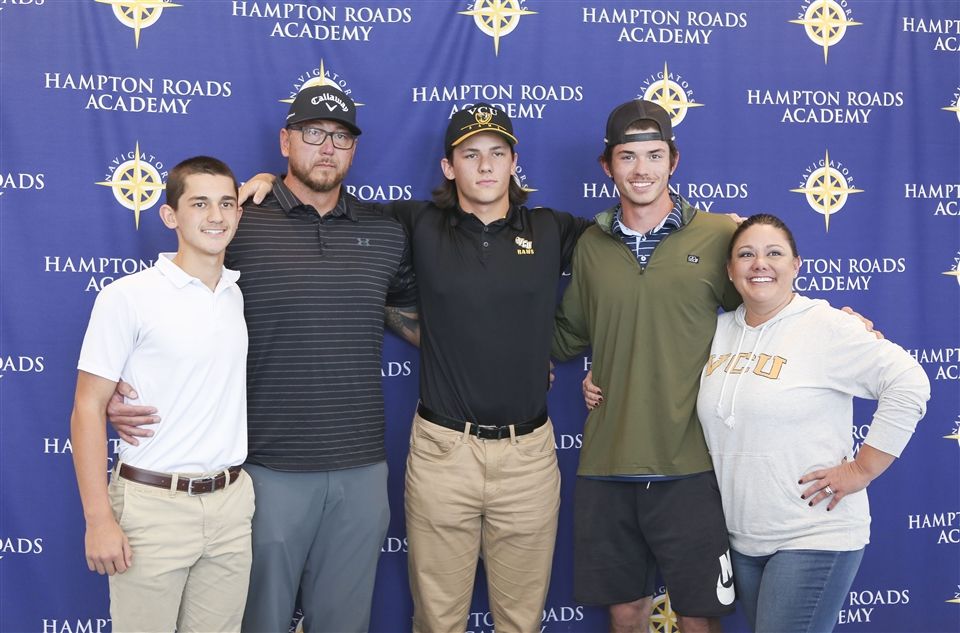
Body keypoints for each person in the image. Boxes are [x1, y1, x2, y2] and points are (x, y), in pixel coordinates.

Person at [242, 102, 591, 631]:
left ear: (515, 161)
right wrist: (270, 180)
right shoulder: (412, 223)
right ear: (449, 167)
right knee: (436, 618)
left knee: (521, 620)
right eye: (470, 155)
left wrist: (703, 226)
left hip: (528, 454)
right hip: (442, 450)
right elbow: (323, 199)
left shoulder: (551, 228)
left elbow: (626, 248)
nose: (485, 166)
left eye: (497, 153)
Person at [107, 85, 418, 633]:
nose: (327, 147)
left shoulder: (385, 231)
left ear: (353, 150)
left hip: (362, 467)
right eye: (313, 133)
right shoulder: (238, 224)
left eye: (341, 137)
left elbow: (431, 319)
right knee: (257, 621)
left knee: (345, 622)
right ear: (285, 140)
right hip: (266, 469)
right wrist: (114, 384)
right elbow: (175, 305)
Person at [552, 99, 740, 633]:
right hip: (608, 463)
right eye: (627, 157)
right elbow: (566, 336)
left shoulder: (720, 236)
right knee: (625, 614)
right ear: (607, 166)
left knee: (700, 616)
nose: (641, 170)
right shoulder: (590, 245)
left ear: (673, 162)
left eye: (654, 155)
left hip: (691, 463)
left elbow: (769, 308)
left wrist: (839, 324)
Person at [695, 213, 929, 633]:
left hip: (813, 533)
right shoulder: (715, 331)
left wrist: (863, 469)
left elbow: (909, 383)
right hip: (743, 538)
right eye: (746, 254)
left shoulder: (827, 326)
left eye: (774, 253)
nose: (759, 264)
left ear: (797, 265)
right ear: (730, 271)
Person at [71, 156, 253, 633]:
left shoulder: (234, 293)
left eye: (226, 204)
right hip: (153, 506)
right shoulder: (127, 297)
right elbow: (87, 408)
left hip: (230, 504)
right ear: (170, 216)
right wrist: (98, 519)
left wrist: (265, 181)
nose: (215, 216)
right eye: (199, 203)